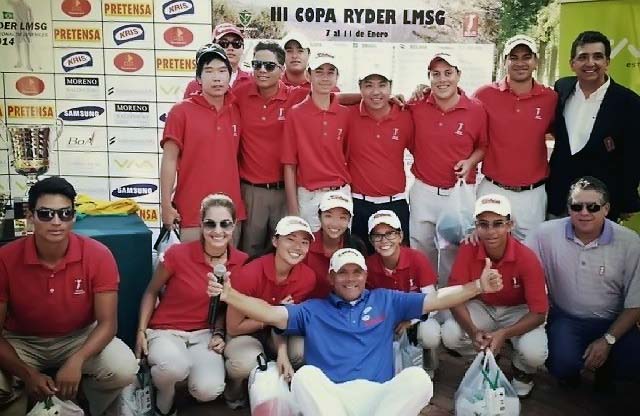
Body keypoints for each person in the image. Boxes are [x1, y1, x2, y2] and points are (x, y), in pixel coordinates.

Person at [207, 247, 503, 415]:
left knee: (418, 378)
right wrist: (230, 296)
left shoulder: (386, 299)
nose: (351, 278)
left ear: (365, 275)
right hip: (331, 399)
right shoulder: (313, 308)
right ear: (331, 277)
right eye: (343, 272)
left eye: (356, 271)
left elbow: (436, 299)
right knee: (306, 377)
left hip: (379, 397)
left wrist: (478, 287)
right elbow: (270, 313)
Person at [0, 177, 137, 416]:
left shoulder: (98, 255)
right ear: (30, 216)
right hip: (21, 340)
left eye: (65, 214)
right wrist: (27, 374)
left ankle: (85, 404)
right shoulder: (5, 258)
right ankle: (25, 398)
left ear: (74, 216)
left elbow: (107, 324)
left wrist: (78, 360)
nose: (56, 222)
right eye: (46, 214)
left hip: (78, 336)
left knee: (124, 368)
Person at [135, 194, 248, 415]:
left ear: (234, 226)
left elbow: (230, 308)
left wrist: (219, 333)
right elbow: (151, 290)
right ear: (200, 225)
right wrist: (141, 330)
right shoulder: (178, 254)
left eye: (225, 224)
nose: (218, 230)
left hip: (204, 334)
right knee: (174, 367)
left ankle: (177, 385)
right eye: (210, 223)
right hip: (166, 329)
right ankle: (164, 402)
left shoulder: (241, 261)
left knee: (209, 389)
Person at [526, 176, 640, 388]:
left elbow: (636, 302)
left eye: (593, 207)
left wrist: (608, 340)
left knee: (633, 363)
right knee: (562, 363)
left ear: (606, 209)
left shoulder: (630, 242)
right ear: (568, 208)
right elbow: (517, 256)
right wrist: (477, 236)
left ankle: (607, 373)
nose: (584, 213)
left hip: (613, 321)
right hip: (567, 319)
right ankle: (570, 375)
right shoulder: (545, 233)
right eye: (577, 206)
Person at [442, 194, 549, 398]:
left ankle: (522, 370)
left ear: (510, 225)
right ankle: (487, 354)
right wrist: (473, 332)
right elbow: (454, 296)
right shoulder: (469, 247)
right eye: (484, 224)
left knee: (534, 353)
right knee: (450, 333)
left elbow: (539, 313)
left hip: (519, 310)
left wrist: (504, 333)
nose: (490, 231)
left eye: (498, 224)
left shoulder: (526, 257)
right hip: (483, 306)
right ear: (476, 226)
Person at [408, 52, 488, 284]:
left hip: (459, 194)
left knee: (454, 253)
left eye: (448, 73)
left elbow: (483, 146)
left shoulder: (476, 109)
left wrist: (470, 162)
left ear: (458, 75)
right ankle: (426, 308)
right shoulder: (417, 105)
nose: (442, 79)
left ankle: (450, 309)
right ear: (429, 78)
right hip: (424, 191)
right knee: (422, 252)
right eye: (436, 74)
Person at [223, 216, 317, 409]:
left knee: (302, 350)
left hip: (278, 333)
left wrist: (282, 352)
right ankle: (234, 391)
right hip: (245, 332)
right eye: (290, 239)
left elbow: (285, 324)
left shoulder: (307, 277)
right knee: (244, 363)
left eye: (304, 242)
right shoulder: (249, 274)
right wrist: (270, 315)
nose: (298, 246)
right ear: (275, 241)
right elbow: (233, 327)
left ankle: (286, 392)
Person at [547, 30, 640, 221]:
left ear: (607, 62)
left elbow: (633, 157)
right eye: (583, 57)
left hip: (600, 204)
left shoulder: (629, 102)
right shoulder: (561, 88)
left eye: (598, 56)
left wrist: (627, 200)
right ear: (572, 64)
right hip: (558, 198)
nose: (590, 63)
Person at [474, 35, 557, 240]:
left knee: (530, 254)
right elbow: (459, 109)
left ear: (536, 62)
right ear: (505, 62)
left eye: (526, 57)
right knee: (486, 250)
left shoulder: (550, 98)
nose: (520, 63)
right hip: (493, 188)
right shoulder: (484, 94)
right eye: (514, 57)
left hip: (532, 194)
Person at [161, 44, 245, 243]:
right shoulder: (181, 112)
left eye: (222, 71)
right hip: (191, 213)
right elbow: (169, 160)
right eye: (209, 71)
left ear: (230, 75)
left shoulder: (237, 109)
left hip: (231, 213)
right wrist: (165, 205)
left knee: (227, 273)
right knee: (190, 273)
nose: (217, 77)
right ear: (198, 78)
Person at [233, 42, 309, 256]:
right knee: (250, 252)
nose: (262, 71)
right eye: (257, 65)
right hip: (251, 191)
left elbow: (333, 99)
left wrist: (380, 98)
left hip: (286, 191)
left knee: (284, 252)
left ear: (282, 70)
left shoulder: (296, 96)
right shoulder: (239, 94)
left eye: (269, 66)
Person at [365, 210, 441, 377]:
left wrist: (410, 321)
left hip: (418, 316)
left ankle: (428, 362)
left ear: (400, 236)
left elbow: (433, 304)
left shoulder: (417, 259)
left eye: (390, 234)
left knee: (430, 334)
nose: (384, 241)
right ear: (371, 241)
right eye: (377, 236)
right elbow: (369, 305)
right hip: (388, 320)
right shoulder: (369, 266)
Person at [281, 50, 351, 231]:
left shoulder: (345, 114)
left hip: (340, 192)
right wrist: (293, 208)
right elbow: (289, 164)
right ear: (308, 75)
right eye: (319, 71)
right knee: (309, 252)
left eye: (330, 72)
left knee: (340, 251)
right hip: (308, 196)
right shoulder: (296, 114)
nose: (325, 77)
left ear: (337, 77)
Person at [347, 63, 413, 251]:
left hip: (395, 203)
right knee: (360, 261)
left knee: (397, 261)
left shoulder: (405, 115)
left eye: (382, 85)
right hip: (358, 204)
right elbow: (324, 97)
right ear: (360, 88)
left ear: (391, 86)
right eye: (369, 85)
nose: (376, 91)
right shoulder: (349, 115)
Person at [304, 191, 366, 298]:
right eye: (328, 216)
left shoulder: (357, 246)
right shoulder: (305, 243)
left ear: (349, 220)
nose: (335, 223)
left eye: (342, 218)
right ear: (319, 217)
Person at [183, 23, 251, 97]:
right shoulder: (196, 85)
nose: (230, 48)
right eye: (223, 43)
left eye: (236, 43)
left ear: (243, 48)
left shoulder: (253, 82)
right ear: (213, 46)